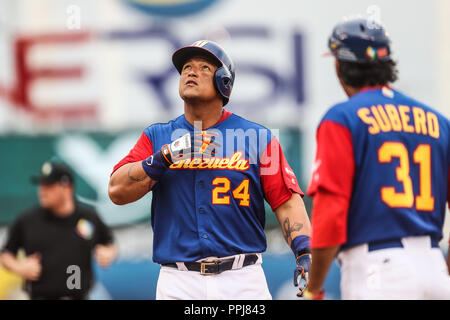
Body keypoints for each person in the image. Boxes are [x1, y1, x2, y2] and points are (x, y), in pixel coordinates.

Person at [108, 40, 312, 300]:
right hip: (178, 281)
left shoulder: (259, 138)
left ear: (224, 82)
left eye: (204, 67)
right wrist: (164, 157)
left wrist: (304, 251)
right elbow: (116, 191)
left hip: (242, 278)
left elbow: (286, 201)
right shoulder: (158, 137)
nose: (191, 72)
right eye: (186, 68)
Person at [304, 18, 450, 300]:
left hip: (376, 270)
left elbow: (331, 213)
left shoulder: (342, 118)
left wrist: (314, 287)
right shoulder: (439, 122)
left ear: (338, 65)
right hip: (434, 266)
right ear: (387, 63)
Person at [0, 160, 117, 300]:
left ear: (67, 188)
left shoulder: (88, 217)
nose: (42, 191)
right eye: (41, 185)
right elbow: (6, 254)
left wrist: (108, 253)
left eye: (48, 185)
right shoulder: (27, 220)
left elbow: (109, 243)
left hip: (79, 296)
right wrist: (20, 267)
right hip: (40, 296)